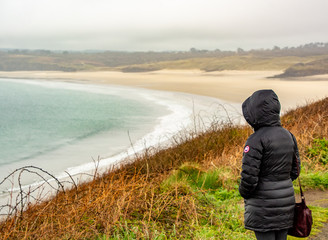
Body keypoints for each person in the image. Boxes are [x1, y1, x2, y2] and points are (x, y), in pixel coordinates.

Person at [238, 89, 300, 240]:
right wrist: (280, 184)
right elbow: (295, 170)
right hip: (286, 203)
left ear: (255, 112)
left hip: (263, 206)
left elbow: (249, 178)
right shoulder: (288, 136)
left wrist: (244, 192)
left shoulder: (255, 140)